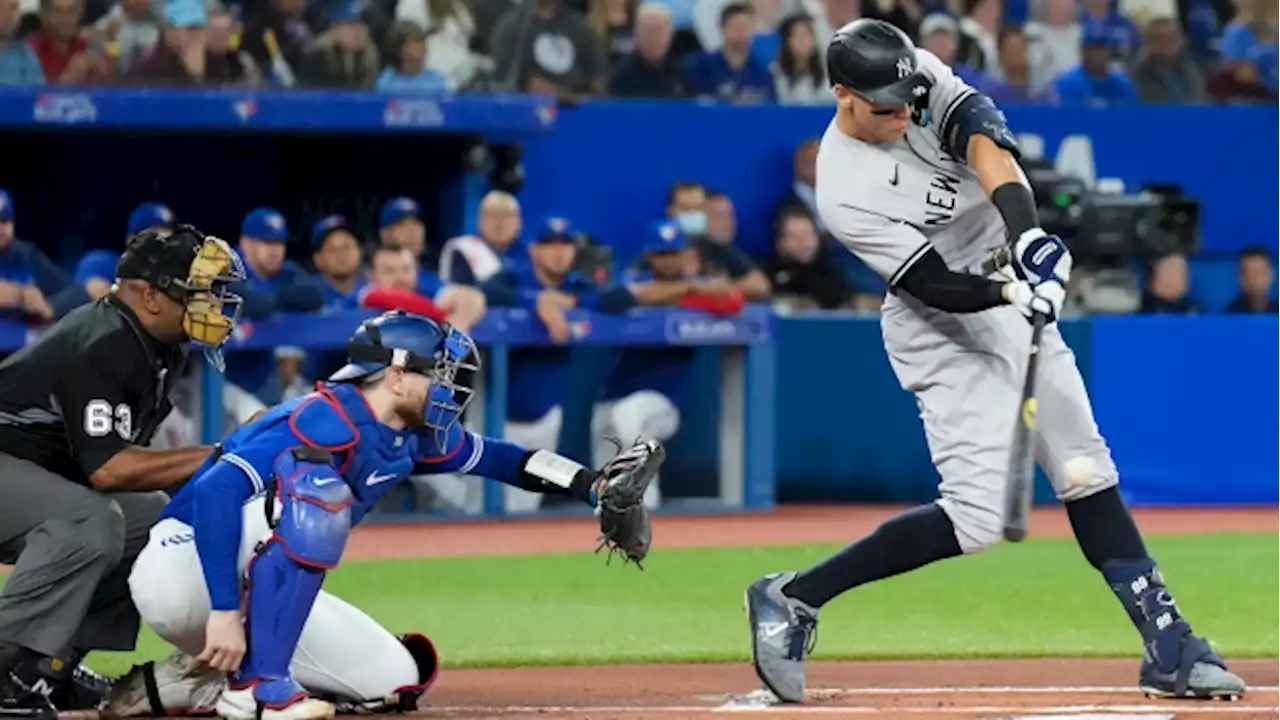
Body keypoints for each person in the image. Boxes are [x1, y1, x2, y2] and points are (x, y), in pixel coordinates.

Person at [743, 18, 1246, 705]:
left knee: (1085, 465)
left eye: (907, 100)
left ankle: (1170, 644)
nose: (902, 114)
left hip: (1010, 288)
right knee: (977, 521)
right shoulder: (841, 188)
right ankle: (793, 596)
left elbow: (985, 144)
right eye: (885, 107)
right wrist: (1013, 287)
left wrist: (1028, 237)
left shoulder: (916, 76)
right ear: (842, 96)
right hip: (937, 324)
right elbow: (929, 284)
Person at [102, 311, 662, 720]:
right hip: (185, 567)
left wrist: (592, 486)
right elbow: (217, 493)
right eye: (434, 374)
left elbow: (501, 458)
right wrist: (224, 610)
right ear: (394, 375)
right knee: (317, 498)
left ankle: (180, 681)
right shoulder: (318, 418)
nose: (447, 387)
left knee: (393, 680)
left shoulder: (411, 435)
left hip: (245, 574)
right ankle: (256, 688)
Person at [0, 225, 245, 719]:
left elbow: (123, 468)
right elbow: (111, 470)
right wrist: (224, 452)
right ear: (151, 296)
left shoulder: (156, 343)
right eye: (198, 293)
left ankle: (52, 669)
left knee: (152, 522)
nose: (214, 305)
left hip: (23, 470)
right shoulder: (106, 340)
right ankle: (8, 669)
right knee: (92, 520)